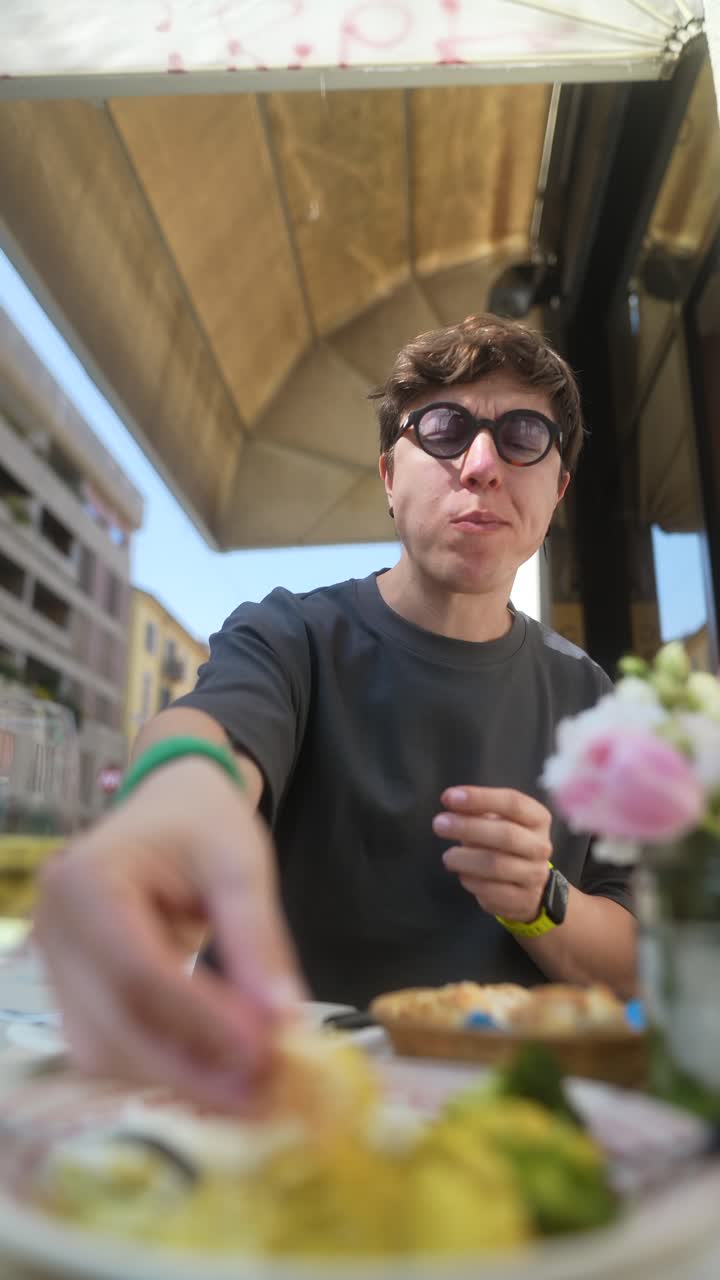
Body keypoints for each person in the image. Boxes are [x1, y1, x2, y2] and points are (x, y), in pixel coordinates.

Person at [35, 314, 636, 1108]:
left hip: (500, 1124)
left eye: (523, 435)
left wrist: (542, 902)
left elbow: (639, 966)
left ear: (557, 490)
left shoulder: (598, 706)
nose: (482, 464)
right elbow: (212, 726)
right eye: (446, 429)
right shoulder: (291, 635)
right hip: (268, 1109)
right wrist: (173, 802)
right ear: (390, 475)